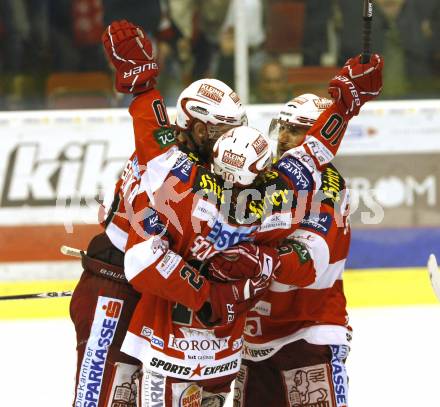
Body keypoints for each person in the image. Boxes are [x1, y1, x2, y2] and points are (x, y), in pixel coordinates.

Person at [119, 54, 383, 405]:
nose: (287, 139)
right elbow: (313, 153)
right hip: (234, 349)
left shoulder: (184, 189)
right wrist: (346, 104)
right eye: (284, 128)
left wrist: (142, 88)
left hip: (245, 340)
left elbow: (155, 152)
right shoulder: (275, 197)